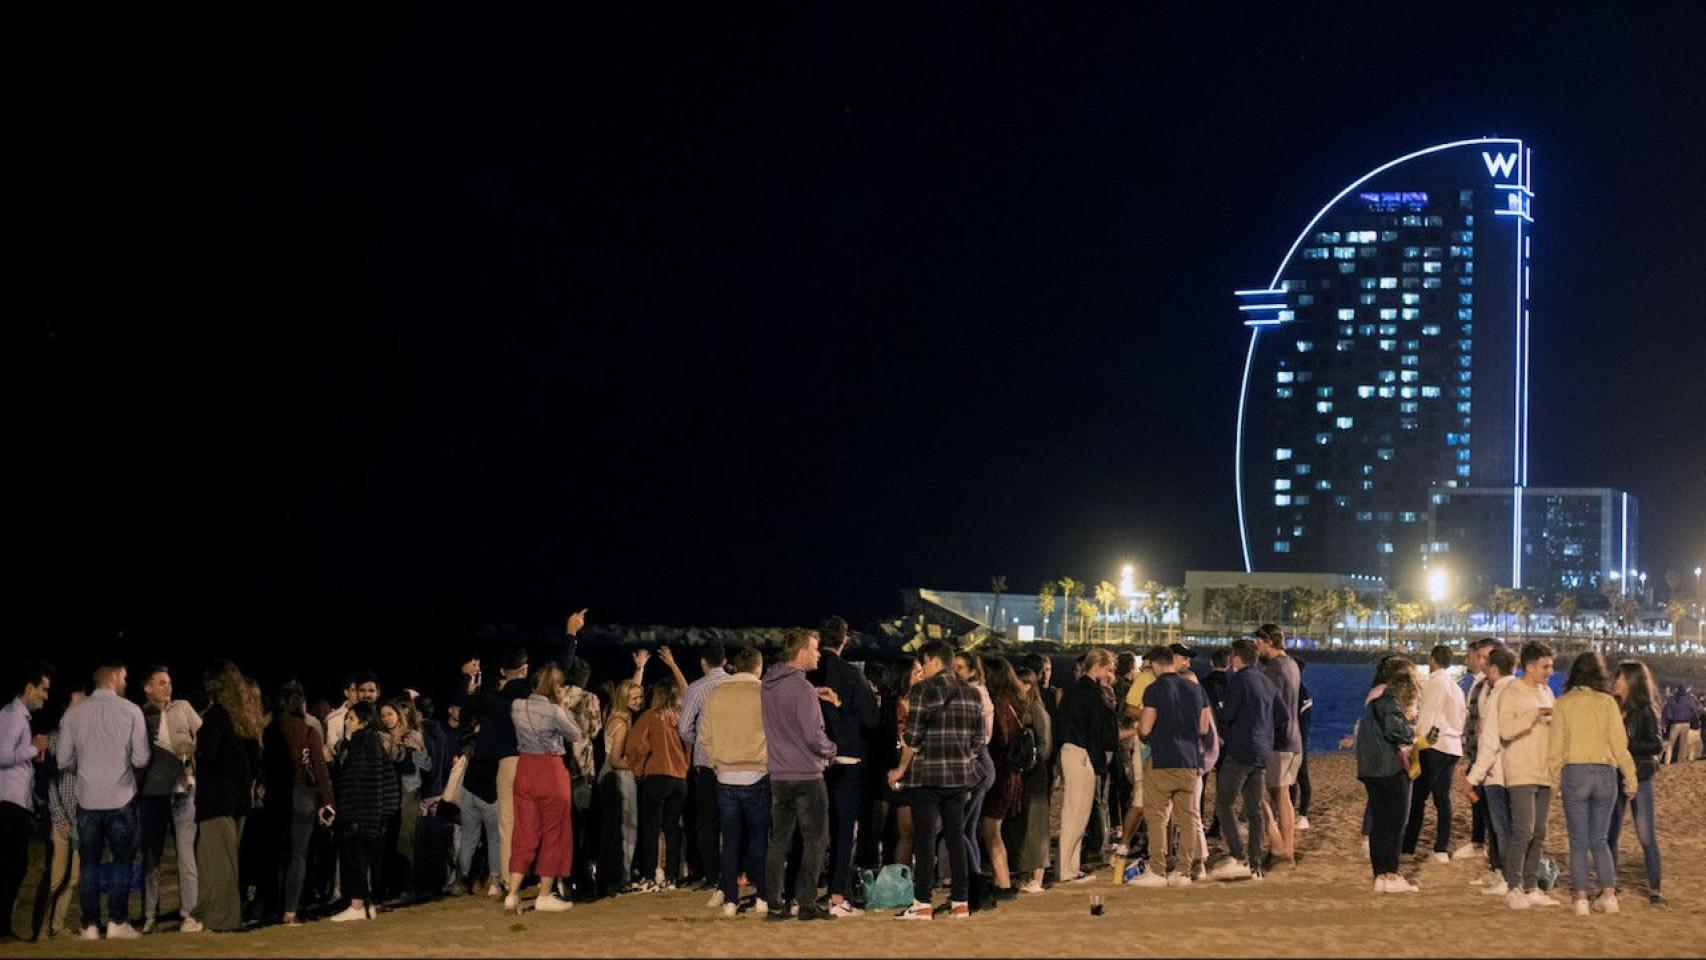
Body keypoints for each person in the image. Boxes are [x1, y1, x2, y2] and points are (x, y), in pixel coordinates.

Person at [886, 640, 983, 921]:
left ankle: (923, 903)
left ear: (934, 661)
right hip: (959, 777)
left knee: (925, 839)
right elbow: (978, 739)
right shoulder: (972, 693)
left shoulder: (923, 690)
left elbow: (913, 738)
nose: (923, 669)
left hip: (927, 776)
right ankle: (960, 902)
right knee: (955, 837)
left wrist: (900, 769)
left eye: (924, 663)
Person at [58, 660, 151, 939]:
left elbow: (63, 760)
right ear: (112, 678)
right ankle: (116, 922)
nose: (126, 682)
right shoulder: (132, 710)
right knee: (122, 861)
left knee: (89, 862)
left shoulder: (73, 714)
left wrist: (85, 767)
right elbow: (141, 759)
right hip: (121, 796)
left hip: (87, 799)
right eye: (124, 677)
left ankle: (89, 925)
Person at [1548, 651, 1636, 917]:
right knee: (1600, 839)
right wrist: (1630, 777)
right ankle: (1609, 896)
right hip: (1605, 773)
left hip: (1575, 772)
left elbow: (1556, 749)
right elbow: (1620, 745)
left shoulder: (1564, 703)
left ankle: (1581, 899)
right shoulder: (1608, 703)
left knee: (1578, 842)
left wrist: (1553, 782)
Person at [760, 629, 837, 922]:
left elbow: (786, 709)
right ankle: (807, 903)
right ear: (802, 651)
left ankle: (774, 904)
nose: (818, 654)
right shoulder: (802, 689)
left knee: (779, 841)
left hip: (779, 776)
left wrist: (813, 694)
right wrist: (832, 750)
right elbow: (812, 736)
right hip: (807, 775)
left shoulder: (768, 684)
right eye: (815, 648)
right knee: (816, 840)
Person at [1130, 645, 1212, 887]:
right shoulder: (1196, 689)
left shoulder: (1154, 689)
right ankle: (1183, 871)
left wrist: (1143, 734)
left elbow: (1145, 728)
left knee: (1156, 817)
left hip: (1163, 759)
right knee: (1188, 818)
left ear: (1156, 664)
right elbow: (1204, 728)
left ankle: (1157, 870)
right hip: (1189, 761)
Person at [811, 618, 878, 917]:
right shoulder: (851, 674)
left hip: (807, 762)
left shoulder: (805, 674)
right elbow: (871, 720)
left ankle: (797, 892)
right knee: (842, 831)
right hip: (845, 759)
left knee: (806, 831)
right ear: (844, 640)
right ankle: (837, 894)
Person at [504, 662, 582, 914]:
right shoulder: (554, 711)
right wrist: (562, 705)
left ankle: (512, 894)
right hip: (550, 771)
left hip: (525, 768)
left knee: (524, 832)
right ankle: (545, 895)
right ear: (557, 687)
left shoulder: (517, 706)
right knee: (554, 832)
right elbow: (576, 734)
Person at [190, 661, 261, 933]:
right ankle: (214, 916)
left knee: (217, 863)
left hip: (216, 801)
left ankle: (222, 921)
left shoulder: (216, 717)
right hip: (238, 802)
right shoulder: (243, 719)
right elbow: (255, 764)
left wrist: (194, 750)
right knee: (225, 861)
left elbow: (209, 754)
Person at [698, 646, 768, 917]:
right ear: (758, 667)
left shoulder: (716, 695)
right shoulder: (763, 693)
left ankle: (730, 898)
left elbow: (704, 736)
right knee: (759, 838)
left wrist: (718, 761)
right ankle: (762, 895)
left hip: (725, 775)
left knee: (730, 840)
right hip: (757, 773)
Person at [137, 665, 202, 934]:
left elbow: (205, 737)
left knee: (186, 856)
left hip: (183, 792)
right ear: (148, 687)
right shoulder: (140, 715)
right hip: (153, 794)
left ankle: (189, 914)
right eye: (161, 683)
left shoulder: (183, 708)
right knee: (152, 859)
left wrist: (192, 747)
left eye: (169, 682)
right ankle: (149, 915)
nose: (168, 687)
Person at [264, 681, 335, 926]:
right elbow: (320, 770)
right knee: (298, 856)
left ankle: (273, 907)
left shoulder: (271, 731)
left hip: (276, 797)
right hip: (302, 798)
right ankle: (290, 911)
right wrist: (329, 802)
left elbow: (265, 767)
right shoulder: (308, 731)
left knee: (278, 854)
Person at [1211, 638, 1280, 881]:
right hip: (1262, 752)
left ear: (1237, 659)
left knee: (1224, 803)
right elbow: (1281, 715)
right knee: (1254, 808)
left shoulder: (1239, 680)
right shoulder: (1266, 681)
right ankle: (1255, 864)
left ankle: (1238, 856)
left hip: (1241, 751)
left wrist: (1219, 713)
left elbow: (1228, 714)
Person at [1498, 641, 1559, 909]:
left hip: (1545, 771)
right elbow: (1505, 730)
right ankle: (1514, 886)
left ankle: (1532, 886)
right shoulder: (1512, 691)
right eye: (1545, 666)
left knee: (1539, 832)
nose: (1550, 672)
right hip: (1521, 770)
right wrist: (1535, 713)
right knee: (1523, 830)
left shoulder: (1547, 692)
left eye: (1551, 666)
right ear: (1530, 666)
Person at [626, 647, 690, 892]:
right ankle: (672, 876)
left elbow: (636, 746)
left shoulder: (650, 716)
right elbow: (687, 691)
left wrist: (638, 769)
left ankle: (651, 874)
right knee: (673, 828)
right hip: (680, 779)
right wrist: (673, 665)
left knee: (651, 828)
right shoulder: (681, 717)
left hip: (657, 776)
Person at [1355, 657, 1418, 894]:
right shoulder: (1389, 701)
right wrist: (1411, 731)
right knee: (1395, 823)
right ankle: (1391, 874)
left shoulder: (1373, 701)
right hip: (1389, 769)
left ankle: (1380, 875)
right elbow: (1395, 730)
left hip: (1370, 769)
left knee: (1380, 824)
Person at [330, 701, 397, 922]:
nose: (347, 723)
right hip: (364, 813)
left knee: (358, 860)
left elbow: (365, 782)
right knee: (361, 861)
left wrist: (364, 819)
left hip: (361, 814)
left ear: (364, 722)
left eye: (351, 719)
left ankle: (358, 905)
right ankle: (366, 905)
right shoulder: (363, 742)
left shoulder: (365, 743)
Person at [1056, 648, 1117, 885]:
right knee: (1076, 814)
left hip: (1072, 752)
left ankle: (1070, 867)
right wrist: (1099, 763)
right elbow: (1095, 731)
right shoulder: (1090, 692)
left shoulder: (1076, 689)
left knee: (1076, 813)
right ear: (1098, 667)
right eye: (1109, 669)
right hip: (1081, 754)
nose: (1111, 674)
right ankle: (1067, 869)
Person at [0, 663, 51, 941]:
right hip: (8, 804)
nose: (46, 696)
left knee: (14, 866)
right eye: (43, 689)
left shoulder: (18, 717)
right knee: (13, 866)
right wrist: (34, 748)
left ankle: (3, 925)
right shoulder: (12, 715)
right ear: (29, 688)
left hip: (15, 803)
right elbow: (2, 756)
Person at [1402, 644, 1466, 863]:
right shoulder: (1456, 688)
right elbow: (1461, 718)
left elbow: (1427, 718)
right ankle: (1441, 848)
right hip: (1453, 746)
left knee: (1418, 798)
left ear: (1432, 660)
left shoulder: (1434, 683)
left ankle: (1408, 847)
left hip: (1435, 746)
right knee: (1442, 799)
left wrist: (1416, 742)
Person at [1463, 645, 1518, 897]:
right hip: (1506, 769)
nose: (1482, 664)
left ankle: (1506, 876)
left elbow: (1490, 738)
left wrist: (1474, 775)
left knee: (1502, 827)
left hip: (1496, 770)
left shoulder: (1499, 692)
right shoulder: (1510, 689)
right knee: (1501, 826)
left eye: (1486, 660)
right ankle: (1500, 870)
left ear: (1494, 668)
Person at [676, 642, 731, 897]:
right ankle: (735, 871)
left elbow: (684, 728)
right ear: (724, 660)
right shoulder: (734, 684)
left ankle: (712, 875)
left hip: (708, 762)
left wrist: (699, 741)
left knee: (707, 821)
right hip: (734, 760)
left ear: (703, 662)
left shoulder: (697, 688)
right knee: (733, 819)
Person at [1608, 660, 1664, 905]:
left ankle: (1655, 889)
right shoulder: (1611, 706)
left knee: (1646, 835)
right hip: (1615, 775)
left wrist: (1625, 746)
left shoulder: (1645, 710)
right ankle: (1610, 885)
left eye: (1620, 677)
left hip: (1640, 776)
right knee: (1611, 834)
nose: (1615, 681)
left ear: (1632, 681)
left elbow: (1656, 744)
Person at [862, 656, 919, 870]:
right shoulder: (887, 702)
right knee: (876, 828)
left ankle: (899, 877)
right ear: (905, 675)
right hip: (884, 771)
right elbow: (879, 737)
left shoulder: (920, 701)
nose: (921, 676)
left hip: (908, 770)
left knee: (906, 830)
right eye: (916, 673)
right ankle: (869, 874)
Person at [597, 653, 649, 893]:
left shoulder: (615, 715)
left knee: (613, 828)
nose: (639, 701)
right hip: (618, 776)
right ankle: (622, 876)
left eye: (641, 697)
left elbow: (630, 689)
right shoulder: (621, 725)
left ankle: (613, 876)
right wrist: (638, 766)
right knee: (627, 827)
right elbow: (616, 760)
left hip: (608, 775)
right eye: (635, 698)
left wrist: (640, 669)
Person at [33, 692, 82, 939]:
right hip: (61, 819)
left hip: (81, 819)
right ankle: (41, 929)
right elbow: (48, 784)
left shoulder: (87, 741)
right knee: (55, 877)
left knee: (73, 878)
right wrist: (59, 818)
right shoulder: (54, 739)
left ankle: (57, 926)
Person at [1254, 624, 1302, 869]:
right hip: (1295, 738)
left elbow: (1269, 706)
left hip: (1279, 740)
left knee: (1276, 794)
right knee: (1282, 795)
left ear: (1269, 642)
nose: (1257, 649)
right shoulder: (1292, 665)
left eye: (1259, 643)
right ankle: (1287, 848)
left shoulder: (1273, 668)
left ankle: (1281, 848)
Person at [951, 652, 997, 908]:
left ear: (971, 671)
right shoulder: (979, 692)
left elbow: (978, 735)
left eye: (959, 667)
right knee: (968, 829)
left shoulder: (974, 693)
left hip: (976, 763)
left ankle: (976, 884)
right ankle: (976, 883)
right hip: (981, 762)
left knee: (959, 828)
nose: (955, 671)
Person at [979, 657, 1026, 901]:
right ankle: (1002, 879)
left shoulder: (998, 706)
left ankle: (1003, 882)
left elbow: (1000, 740)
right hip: (1012, 774)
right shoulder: (1014, 703)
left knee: (992, 831)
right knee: (995, 830)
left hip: (1001, 775)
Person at [1005, 666, 1052, 894]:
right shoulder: (1020, 710)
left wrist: (1028, 760)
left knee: (1037, 826)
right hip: (1023, 775)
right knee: (1023, 827)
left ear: (1028, 686)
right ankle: (1025, 875)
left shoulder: (1037, 711)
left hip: (1035, 775)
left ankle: (1038, 878)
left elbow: (1046, 746)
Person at [379, 699, 430, 903]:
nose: (386, 718)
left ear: (398, 715)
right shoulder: (381, 737)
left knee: (404, 838)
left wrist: (418, 749)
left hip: (409, 790)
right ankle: (392, 886)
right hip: (387, 790)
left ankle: (408, 887)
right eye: (383, 715)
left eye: (389, 714)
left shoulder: (412, 735)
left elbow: (427, 766)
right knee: (389, 838)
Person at [560, 658, 602, 899]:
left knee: (563, 825)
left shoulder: (556, 696)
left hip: (559, 766)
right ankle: (583, 877)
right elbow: (595, 730)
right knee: (583, 825)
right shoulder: (589, 698)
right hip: (582, 767)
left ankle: (562, 876)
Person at [1455, 638, 1498, 862]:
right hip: (1479, 754)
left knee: (1492, 808)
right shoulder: (1480, 685)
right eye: (1479, 656)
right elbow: (1472, 723)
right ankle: (1479, 842)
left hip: (1493, 757)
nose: (1481, 661)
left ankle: (1487, 849)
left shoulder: (1498, 687)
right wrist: (1468, 756)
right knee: (1479, 801)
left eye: (1485, 657)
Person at [1659, 686, 1698, 765]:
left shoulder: (1672, 700)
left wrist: (1666, 723)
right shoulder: (1688, 700)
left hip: (1675, 724)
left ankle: (1667, 762)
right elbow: (1694, 710)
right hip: (1686, 723)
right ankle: (1681, 763)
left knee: (1670, 744)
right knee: (1683, 745)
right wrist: (1696, 723)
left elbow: (1667, 712)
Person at [324, 674, 360, 756]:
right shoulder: (334, 718)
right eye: (353, 690)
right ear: (346, 693)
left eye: (360, 690)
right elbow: (332, 747)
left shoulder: (370, 713)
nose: (357, 694)